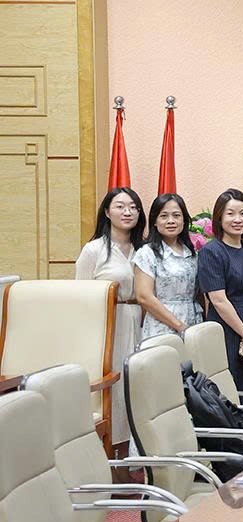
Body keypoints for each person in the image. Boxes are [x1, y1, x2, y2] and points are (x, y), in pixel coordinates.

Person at [76, 187, 145, 453]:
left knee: (136, 388)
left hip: (140, 322)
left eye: (133, 207)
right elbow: (81, 297)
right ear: (107, 212)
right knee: (112, 393)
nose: (128, 212)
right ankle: (110, 458)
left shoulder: (144, 249)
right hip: (108, 327)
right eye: (120, 206)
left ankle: (130, 456)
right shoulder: (94, 250)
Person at [197, 188, 243, 392]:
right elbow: (218, 300)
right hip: (225, 330)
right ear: (219, 217)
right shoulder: (211, 252)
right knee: (230, 391)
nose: (238, 219)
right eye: (230, 213)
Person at [133, 193, 201, 338]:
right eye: (164, 216)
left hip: (193, 323)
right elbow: (144, 296)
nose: (171, 221)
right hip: (162, 325)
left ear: (184, 220)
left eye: (176, 215)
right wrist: (179, 326)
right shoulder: (147, 253)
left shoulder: (192, 253)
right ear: (155, 221)